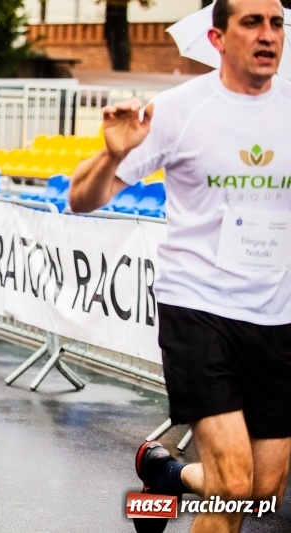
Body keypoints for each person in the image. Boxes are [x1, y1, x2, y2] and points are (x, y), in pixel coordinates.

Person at [68, 1, 291, 532]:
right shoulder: (179, 108)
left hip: (276, 316)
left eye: (276, 23)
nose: (267, 35)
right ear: (217, 38)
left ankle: (169, 477)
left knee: (260, 493)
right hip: (198, 308)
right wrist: (112, 155)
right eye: (251, 23)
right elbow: (81, 198)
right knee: (234, 487)